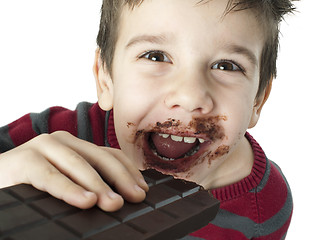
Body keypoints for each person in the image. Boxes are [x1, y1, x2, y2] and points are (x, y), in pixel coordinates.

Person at [0, 0, 295, 239]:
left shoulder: (267, 207)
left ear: (258, 100)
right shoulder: (47, 140)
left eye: (227, 66)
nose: (190, 96)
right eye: (155, 56)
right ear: (106, 79)